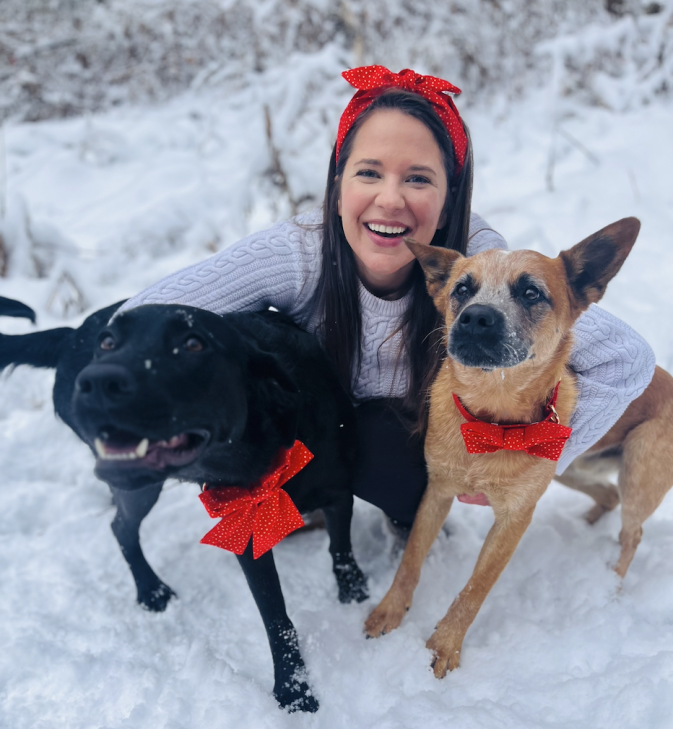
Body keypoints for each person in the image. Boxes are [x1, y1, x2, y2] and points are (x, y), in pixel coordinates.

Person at [121, 66, 655, 530]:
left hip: (406, 451)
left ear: (450, 202)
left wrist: (539, 457)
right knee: (248, 341)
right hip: (310, 435)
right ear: (337, 186)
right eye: (369, 172)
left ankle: (410, 518)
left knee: (384, 447)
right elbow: (141, 320)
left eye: (418, 178)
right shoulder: (299, 251)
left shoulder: (483, 265)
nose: (390, 199)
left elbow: (625, 359)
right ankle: (299, 500)